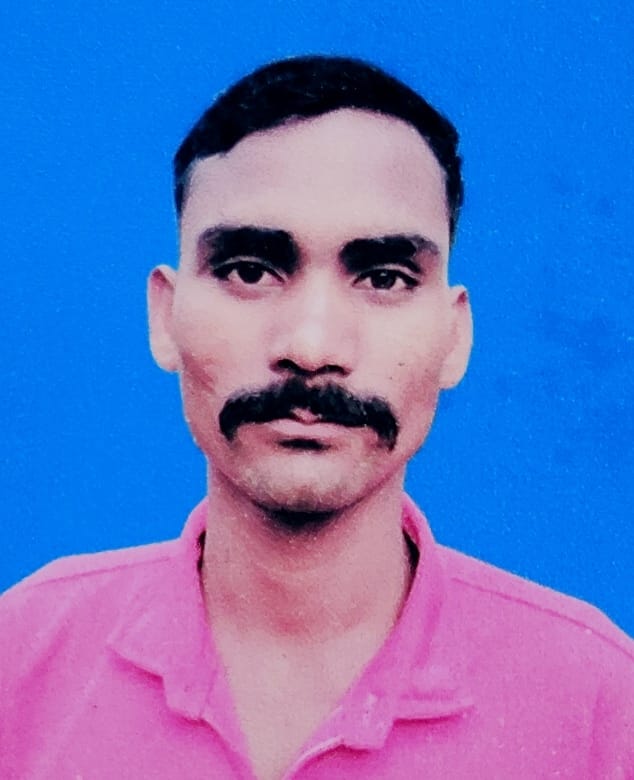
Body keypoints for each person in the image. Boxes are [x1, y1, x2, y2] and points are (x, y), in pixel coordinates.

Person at [1, 55, 632, 780]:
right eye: (249, 270)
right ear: (165, 316)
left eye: (384, 278)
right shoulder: (21, 658)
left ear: (455, 337)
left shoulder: (600, 702)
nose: (311, 347)